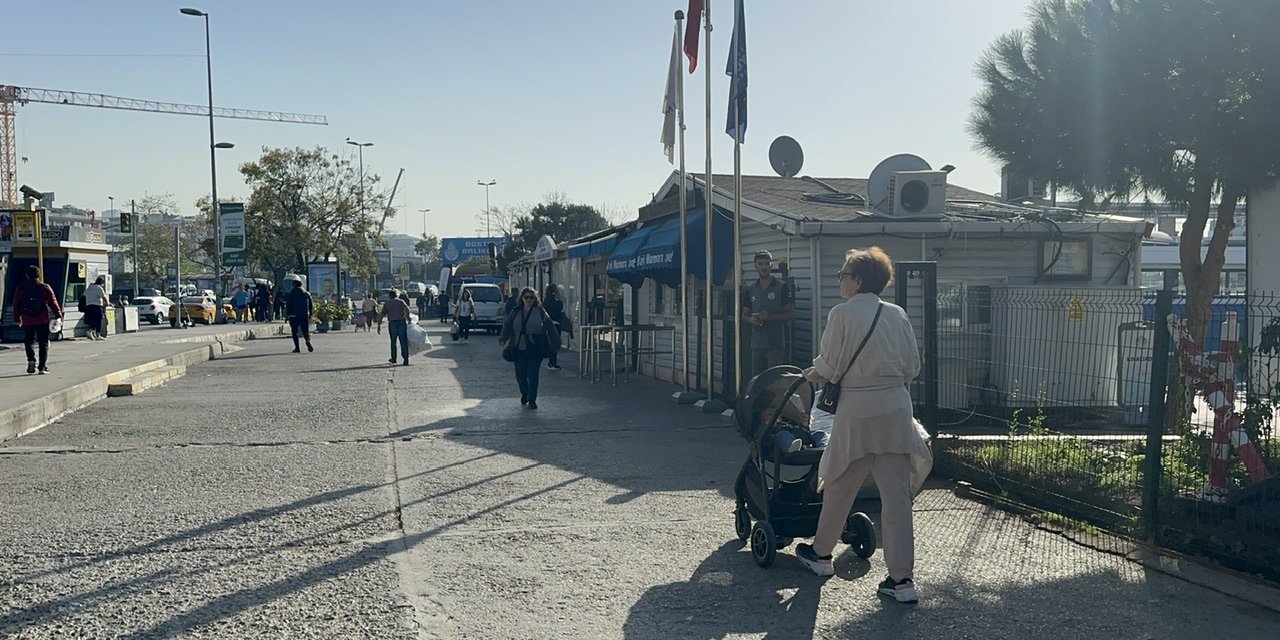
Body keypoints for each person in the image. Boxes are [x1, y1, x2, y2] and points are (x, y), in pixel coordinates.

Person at [794, 246, 922, 604]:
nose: (841, 280)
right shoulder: (897, 315)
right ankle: (902, 581)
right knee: (897, 497)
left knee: (838, 482)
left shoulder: (842, 314)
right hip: (896, 407)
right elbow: (913, 366)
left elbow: (830, 367)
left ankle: (821, 554)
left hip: (858, 409)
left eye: (844, 275)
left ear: (858, 280)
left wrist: (811, 373)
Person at [498, 287, 560, 409]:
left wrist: (555, 342)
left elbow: (550, 326)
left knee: (533, 374)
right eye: (526, 297)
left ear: (534, 299)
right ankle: (524, 393)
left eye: (531, 298)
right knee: (520, 375)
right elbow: (508, 325)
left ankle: (532, 399)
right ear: (521, 298)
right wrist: (503, 338)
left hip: (535, 348)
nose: (528, 300)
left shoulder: (540, 311)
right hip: (518, 348)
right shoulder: (516, 311)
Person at [742, 250, 795, 378]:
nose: (764, 267)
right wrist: (751, 320)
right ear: (755, 266)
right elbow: (743, 316)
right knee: (757, 380)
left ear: (771, 265)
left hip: (775, 344)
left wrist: (769, 317)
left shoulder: (782, 287)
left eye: (767, 263)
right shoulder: (750, 289)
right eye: (760, 264)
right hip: (757, 344)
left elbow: (791, 314)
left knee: (774, 381)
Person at [12, 265, 63, 374]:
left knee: (29, 341)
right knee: (43, 343)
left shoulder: (21, 288)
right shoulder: (44, 287)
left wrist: (17, 318)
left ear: (27, 275)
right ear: (39, 275)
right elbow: (53, 302)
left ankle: (31, 360)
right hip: (42, 319)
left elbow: (16, 304)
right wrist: (58, 315)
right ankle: (42, 367)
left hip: (27, 319)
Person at [380, 290, 412, 366]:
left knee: (393, 342)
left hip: (392, 323)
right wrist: (408, 318)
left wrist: (379, 324)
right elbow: (407, 308)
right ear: (396, 295)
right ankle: (405, 359)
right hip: (401, 322)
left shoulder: (387, 303)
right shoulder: (401, 301)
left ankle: (394, 358)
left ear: (390, 296)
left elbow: (382, 313)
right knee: (403, 341)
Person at [285, 279, 314, 353]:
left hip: (293, 315)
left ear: (293, 285)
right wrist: (310, 314)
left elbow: (288, 305)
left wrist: (287, 315)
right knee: (305, 331)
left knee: (294, 332)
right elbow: (311, 305)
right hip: (304, 315)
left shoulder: (290, 294)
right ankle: (307, 341)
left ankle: (297, 347)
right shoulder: (307, 294)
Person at [542, 284, 566, 371]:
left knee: (552, 343)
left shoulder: (545, 301)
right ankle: (552, 363)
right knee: (555, 343)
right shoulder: (555, 302)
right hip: (555, 324)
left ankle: (551, 362)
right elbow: (559, 308)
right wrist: (559, 298)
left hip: (548, 324)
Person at [82, 275, 109, 341]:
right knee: (98, 320)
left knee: (92, 320)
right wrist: (106, 304)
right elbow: (104, 298)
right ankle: (97, 334)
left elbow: (84, 295)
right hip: (96, 306)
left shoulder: (89, 288)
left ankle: (91, 331)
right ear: (102, 282)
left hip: (88, 306)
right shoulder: (99, 288)